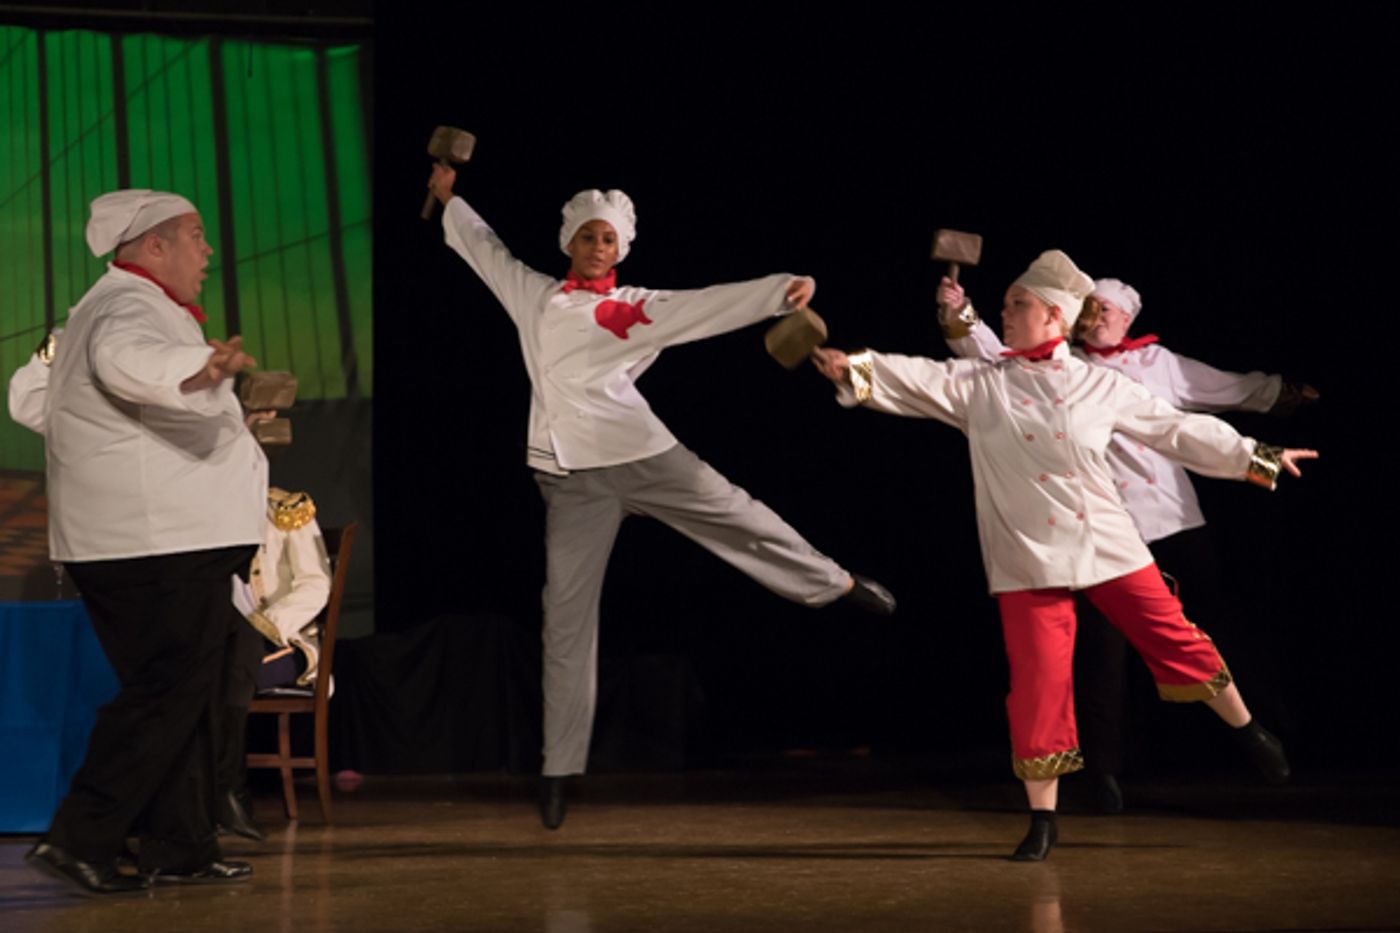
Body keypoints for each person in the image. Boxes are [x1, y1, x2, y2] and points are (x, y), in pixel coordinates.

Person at [427, 164, 896, 830]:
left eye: (609, 239)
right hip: (572, 481)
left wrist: (774, 294)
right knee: (564, 618)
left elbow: (702, 305)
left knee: (739, 513)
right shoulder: (533, 296)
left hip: (644, 454)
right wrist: (449, 199)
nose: (598, 246)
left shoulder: (638, 305)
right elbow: (486, 250)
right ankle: (558, 769)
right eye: (588, 236)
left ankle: (836, 582)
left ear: (621, 249)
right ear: (569, 242)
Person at [811, 250, 1317, 861]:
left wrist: (1255, 456)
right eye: (1004, 305)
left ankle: (1249, 730)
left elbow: (1176, 429)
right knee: (1037, 684)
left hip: (1108, 540)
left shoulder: (1101, 384)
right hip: (1027, 556)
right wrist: (852, 366)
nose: (1005, 311)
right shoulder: (981, 384)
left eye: (1016, 305)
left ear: (1052, 315)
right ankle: (1043, 820)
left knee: (1175, 636)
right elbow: (915, 375)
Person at [938, 275, 1318, 811]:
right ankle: (1105, 776)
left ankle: (1259, 729)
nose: (1097, 318)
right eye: (1089, 309)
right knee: (1102, 657)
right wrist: (961, 315)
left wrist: (1277, 400)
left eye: (1107, 311)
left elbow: (1213, 397)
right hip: (1104, 529)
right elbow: (987, 360)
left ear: (1127, 318)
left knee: (1196, 628)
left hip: (1175, 520)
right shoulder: (1056, 366)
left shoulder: (1157, 364)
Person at [20, 189, 267, 894]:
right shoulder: (125, 307)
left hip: (154, 539)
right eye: (195, 234)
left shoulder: (120, 304)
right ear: (153, 246)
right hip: (155, 542)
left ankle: (179, 845)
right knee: (169, 687)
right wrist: (196, 370)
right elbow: (128, 358)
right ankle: (81, 834)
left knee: (179, 690)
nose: (208, 249)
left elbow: (52, 396)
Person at [216, 484, 333, 842]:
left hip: (284, 641)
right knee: (202, 675)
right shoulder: (202, 511)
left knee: (229, 672)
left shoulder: (284, 509)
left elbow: (316, 584)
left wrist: (266, 626)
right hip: (225, 643)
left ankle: (228, 791)